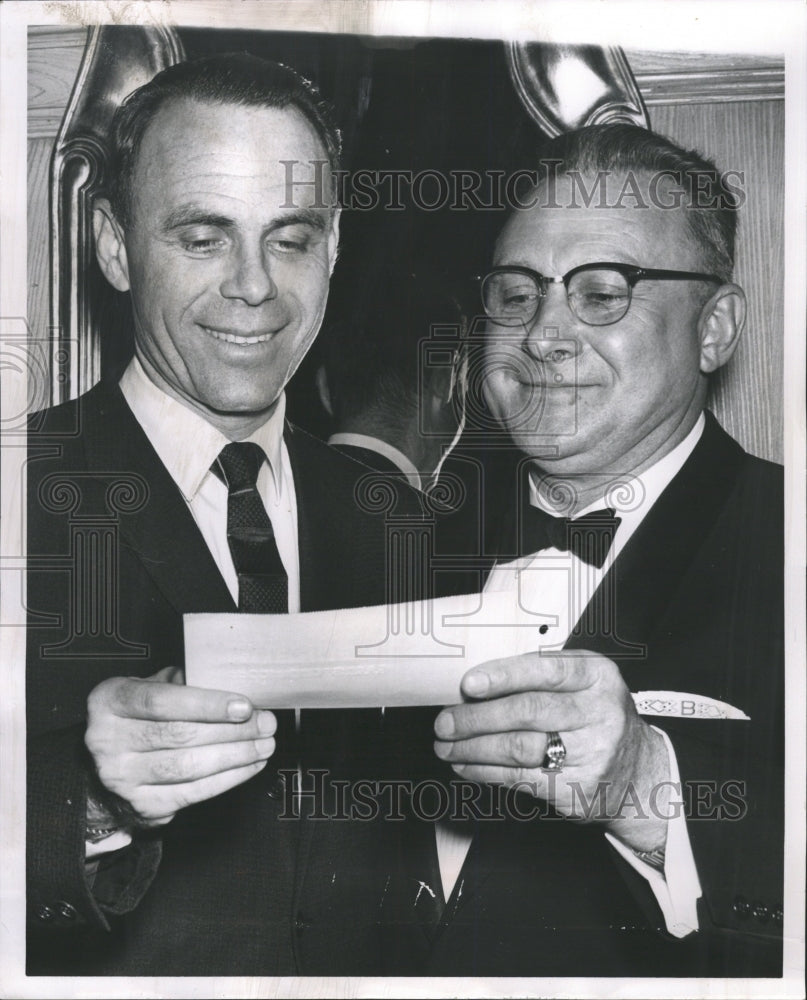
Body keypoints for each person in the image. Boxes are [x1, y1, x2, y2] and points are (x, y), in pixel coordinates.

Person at [24, 52, 444, 977]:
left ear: (333, 249)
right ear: (113, 245)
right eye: (204, 236)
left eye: (290, 239)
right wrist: (88, 802)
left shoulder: (395, 524)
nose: (254, 287)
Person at [405, 124, 783, 977]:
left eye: (602, 293)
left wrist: (649, 789)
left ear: (714, 328)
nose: (543, 336)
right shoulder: (386, 547)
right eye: (515, 295)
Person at [316, 271, 465, 491]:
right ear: (444, 381)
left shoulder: (266, 499)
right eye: (464, 380)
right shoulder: (415, 521)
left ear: (324, 388)